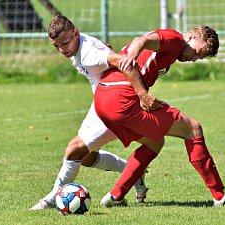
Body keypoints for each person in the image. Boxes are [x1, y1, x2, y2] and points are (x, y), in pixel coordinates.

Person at [94, 26, 225, 207]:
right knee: (193, 129)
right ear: (192, 37)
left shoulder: (172, 48)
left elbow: (141, 45)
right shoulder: (175, 39)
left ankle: (115, 196)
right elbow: (141, 41)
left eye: (198, 58)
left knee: (154, 142)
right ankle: (220, 196)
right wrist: (131, 66)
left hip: (103, 101)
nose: (193, 59)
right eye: (196, 52)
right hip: (122, 97)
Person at [30, 15, 160, 211]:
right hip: (103, 99)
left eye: (65, 43)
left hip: (114, 103)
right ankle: (133, 172)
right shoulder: (79, 43)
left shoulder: (89, 53)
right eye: (56, 46)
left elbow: (124, 61)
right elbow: (106, 55)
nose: (62, 49)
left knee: (73, 150)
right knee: (86, 157)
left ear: (75, 33)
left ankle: (51, 199)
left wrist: (142, 94)